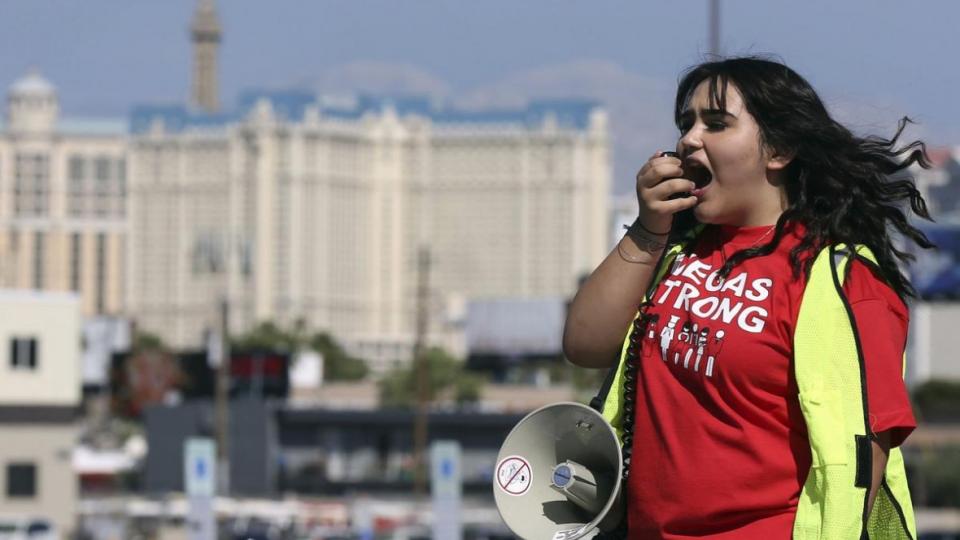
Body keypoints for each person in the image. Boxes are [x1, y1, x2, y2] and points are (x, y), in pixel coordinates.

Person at [563, 56, 934, 539]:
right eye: (686, 123)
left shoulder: (844, 278)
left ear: (778, 150)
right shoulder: (675, 251)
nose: (689, 139)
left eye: (716, 124)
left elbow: (863, 461)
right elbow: (584, 346)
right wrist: (648, 230)